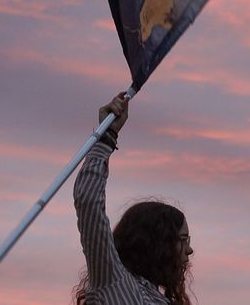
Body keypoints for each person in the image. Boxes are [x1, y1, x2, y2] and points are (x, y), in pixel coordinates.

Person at [73, 92, 194, 304]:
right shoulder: (113, 281)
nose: (190, 250)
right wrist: (106, 137)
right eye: (182, 239)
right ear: (157, 243)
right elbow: (89, 202)